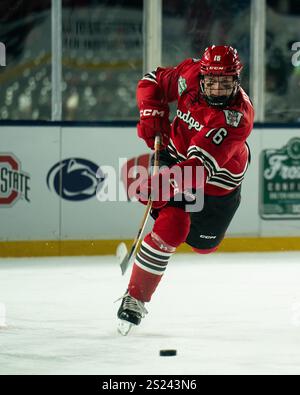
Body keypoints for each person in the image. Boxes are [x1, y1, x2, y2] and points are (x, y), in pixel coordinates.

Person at [117, 45, 254, 334]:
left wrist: (159, 185)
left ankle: (162, 205)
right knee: (173, 224)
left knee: (203, 246)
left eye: (226, 83)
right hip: (176, 155)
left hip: (215, 184)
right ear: (202, 76)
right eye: (212, 82)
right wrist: (151, 111)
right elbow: (151, 80)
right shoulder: (189, 74)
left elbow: (196, 171)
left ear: (237, 81)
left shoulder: (236, 118)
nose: (217, 89)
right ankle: (135, 298)